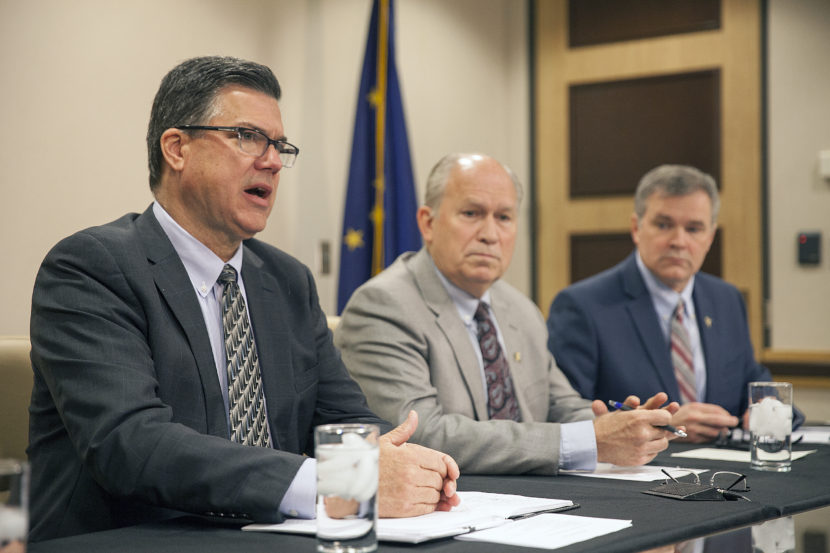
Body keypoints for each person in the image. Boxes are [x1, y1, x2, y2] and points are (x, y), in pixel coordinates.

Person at [27, 56, 458, 542]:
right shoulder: (90, 267)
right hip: (133, 538)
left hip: (274, 536)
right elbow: (130, 445)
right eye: (247, 137)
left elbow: (342, 419)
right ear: (177, 148)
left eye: (279, 145)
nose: (272, 161)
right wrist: (339, 480)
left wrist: (401, 462)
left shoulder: (286, 279)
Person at [335, 153, 678, 475]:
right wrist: (589, 440)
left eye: (503, 218)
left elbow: (559, 405)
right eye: (471, 214)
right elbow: (420, 432)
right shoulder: (384, 306)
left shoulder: (520, 308)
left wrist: (626, 424)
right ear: (428, 223)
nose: (489, 234)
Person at [546, 164, 803, 443]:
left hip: (726, 474)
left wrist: (765, 409)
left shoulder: (726, 300)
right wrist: (665, 428)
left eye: (694, 228)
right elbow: (564, 415)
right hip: (633, 477)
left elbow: (754, 382)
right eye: (664, 225)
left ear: (710, 237)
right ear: (636, 228)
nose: (679, 241)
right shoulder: (582, 306)